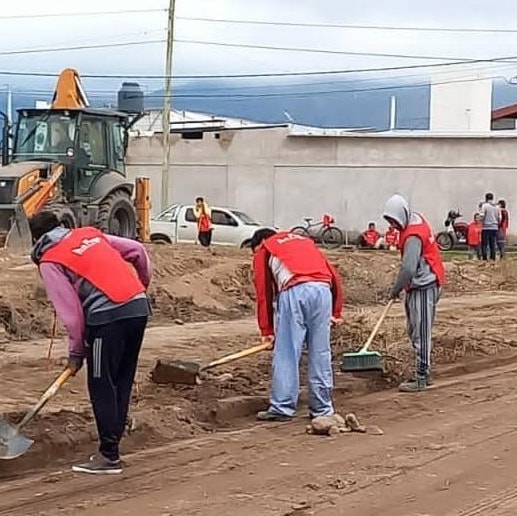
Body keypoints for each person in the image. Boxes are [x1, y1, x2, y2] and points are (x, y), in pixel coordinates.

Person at [29, 211, 152, 475]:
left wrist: (76, 352)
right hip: (138, 307)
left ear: (35, 239)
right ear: (61, 226)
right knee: (121, 379)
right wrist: (141, 286)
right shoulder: (89, 234)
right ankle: (113, 446)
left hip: (107, 318)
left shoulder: (50, 260)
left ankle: (109, 455)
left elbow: (72, 314)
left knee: (101, 382)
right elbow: (137, 250)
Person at [250, 228, 343, 421]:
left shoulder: (265, 248)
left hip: (295, 289)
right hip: (323, 290)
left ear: (260, 243)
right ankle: (322, 409)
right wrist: (335, 312)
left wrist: (267, 330)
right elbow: (334, 276)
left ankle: (282, 407)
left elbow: (263, 293)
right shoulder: (304, 242)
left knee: (287, 352)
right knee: (320, 352)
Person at [383, 194, 445, 392]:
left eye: (393, 220)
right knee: (414, 329)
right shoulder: (414, 219)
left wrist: (395, 289)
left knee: (421, 330)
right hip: (418, 284)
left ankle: (422, 376)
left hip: (426, 284)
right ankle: (422, 369)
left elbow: (408, 268)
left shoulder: (412, 236)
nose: (393, 225)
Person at [480, 192, 500, 261]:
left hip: (486, 227)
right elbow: (499, 217)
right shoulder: (497, 207)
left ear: (486, 198)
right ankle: (493, 258)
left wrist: (481, 221)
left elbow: (482, 215)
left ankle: (485, 259)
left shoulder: (485, 206)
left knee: (484, 244)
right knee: (493, 244)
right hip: (494, 227)